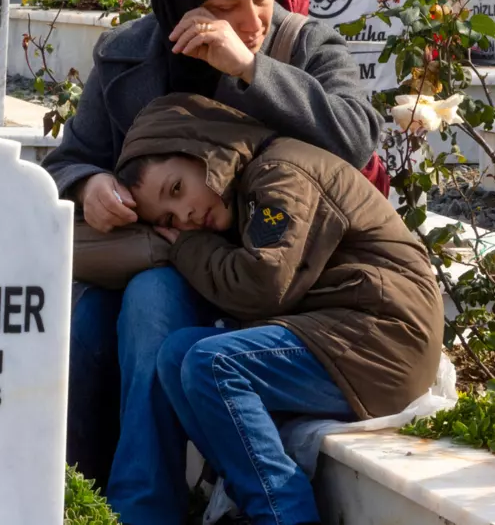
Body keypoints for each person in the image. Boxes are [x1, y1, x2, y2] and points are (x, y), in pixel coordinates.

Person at [41, 0, 383, 517]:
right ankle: (75, 499)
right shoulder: (126, 57)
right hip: (160, 251)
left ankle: (143, 510)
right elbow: (68, 158)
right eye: (225, 5)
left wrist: (251, 69)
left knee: (150, 300)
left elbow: (357, 140)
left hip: (272, 271)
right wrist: (89, 186)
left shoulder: (301, 47)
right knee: (86, 327)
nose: (252, 18)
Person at [111, 92, 443, 525]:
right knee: (176, 355)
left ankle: (283, 516)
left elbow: (264, 283)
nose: (186, 214)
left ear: (202, 150)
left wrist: (187, 249)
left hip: (382, 338)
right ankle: (250, 506)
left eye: (177, 189)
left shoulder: (281, 173)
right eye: (171, 220)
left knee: (213, 364)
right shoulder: (248, 186)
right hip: (339, 335)